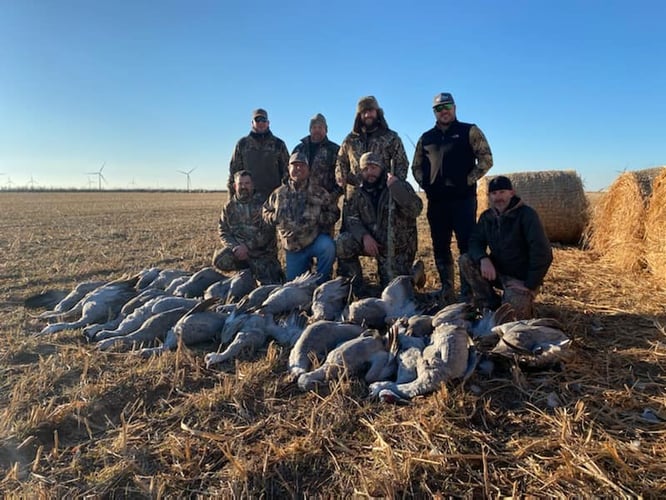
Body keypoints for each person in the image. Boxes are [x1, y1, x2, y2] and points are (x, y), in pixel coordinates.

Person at [412, 92, 494, 304]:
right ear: (434, 112)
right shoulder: (426, 137)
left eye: (447, 107)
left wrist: (468, 180)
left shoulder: (469, 131)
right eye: (439, 108)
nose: (444, 111)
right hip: (437, 202)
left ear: (455, 108)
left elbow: (486, 159)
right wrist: (427, 184)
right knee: (440, 246)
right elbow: (416, 167)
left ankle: (468, 292)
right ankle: (447, 290)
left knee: (466, 246)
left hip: (463, 200)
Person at [459, 176, 553, 320]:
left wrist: (529, 284)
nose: (498, 197)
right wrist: (483, 258)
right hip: (498, 272)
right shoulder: (487, 217)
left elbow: (543, 253)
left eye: (502, 192)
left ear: (511, 193)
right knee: (466, 260)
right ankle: (489, 303)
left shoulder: (527, 215)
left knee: (511, 320)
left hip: (521, 278)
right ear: (489, 196)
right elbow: (474, 241)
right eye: (494, 193)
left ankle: (518, 301)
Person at [337, 152, 423, 293]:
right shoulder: (358, 192)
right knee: (343, 242)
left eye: (373, 167)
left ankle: (415, 271)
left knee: (394, 292)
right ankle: (356, 288)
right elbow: (351, 219)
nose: (369, 172)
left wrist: (396, 189)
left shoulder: (398, 184)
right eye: (365, 169)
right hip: (371, 242)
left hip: (397, 248)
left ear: (382, 168)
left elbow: (416, 210)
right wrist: (364, 236)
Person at [262, 152, 340, 283]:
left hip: (314, 240)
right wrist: (274, 217)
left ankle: (321, 282)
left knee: (328, 246)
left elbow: (334, 212)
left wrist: (319, 218)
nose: (298, 168)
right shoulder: (279, 193)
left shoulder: (319, 192)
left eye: (302, 165)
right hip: (293, 247)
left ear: (308, 169)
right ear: (289, 169)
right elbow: (265, 211)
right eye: (295, 165)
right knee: (295, 287)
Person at [212, 170, 283, 284]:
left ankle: (265, 271)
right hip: (239, 253)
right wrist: (235, 247)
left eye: (247, 183)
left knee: (271, 284)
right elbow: (223, 231)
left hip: (261, 254)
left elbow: (268, 231)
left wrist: (247, 246)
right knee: (220, 259)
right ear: (235, 186)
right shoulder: (229, 207)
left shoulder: (263, 203)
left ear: (252, 185)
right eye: (240, 184)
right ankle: (244, 272)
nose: (244, 186)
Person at [335, 95, 409, 192]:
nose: (367, 115)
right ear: (359, 116)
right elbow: (341, 162)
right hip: (356, 196)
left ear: (377, 113)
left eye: (371, 111)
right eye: (364, 112)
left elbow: (402, 163)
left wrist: (395, 184)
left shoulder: (391, 137)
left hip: (383, 195)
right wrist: (341, 176)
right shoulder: (350, 140)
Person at [291, 113, 342, 235]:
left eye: (320, 127)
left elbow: (341, 178)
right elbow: (289, 174)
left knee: (324, 245)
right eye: (314, 127)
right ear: (310, 129)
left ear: (326, 129)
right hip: (301, 205)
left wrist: (331, 197)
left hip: (324, 208)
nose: (317, 130)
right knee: (300, 241)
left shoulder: (335, 150)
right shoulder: (299, 149)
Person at [227, 108, 289, 201]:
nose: (260, 123)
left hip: (272, 198)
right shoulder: (242, 144)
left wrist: (283, 195)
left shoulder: (278, 144)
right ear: (252, 123)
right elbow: (234, 173)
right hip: (248, 199)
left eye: (263, 120)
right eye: (257, 120)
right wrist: (231, 199)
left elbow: (287, 172)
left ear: (268, 123)